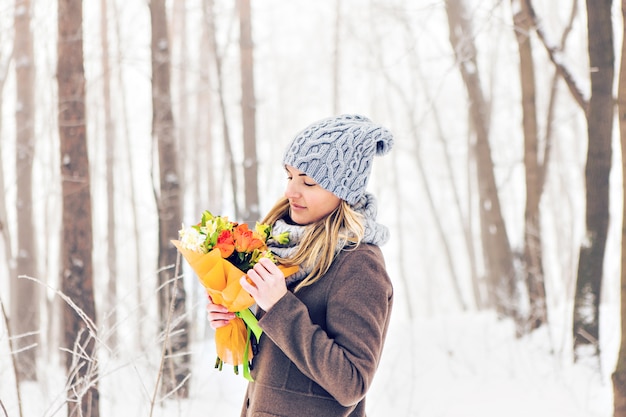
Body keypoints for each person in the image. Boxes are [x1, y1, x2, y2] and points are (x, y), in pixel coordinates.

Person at [207, 114, 394, 417]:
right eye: (290, 176)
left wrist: (279, 305)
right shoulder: (280, 246)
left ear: (343, 192)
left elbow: (351, 382)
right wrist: (238, 318)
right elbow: (281, 368)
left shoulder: (358, 265)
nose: (290, 192)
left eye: (308, 182)